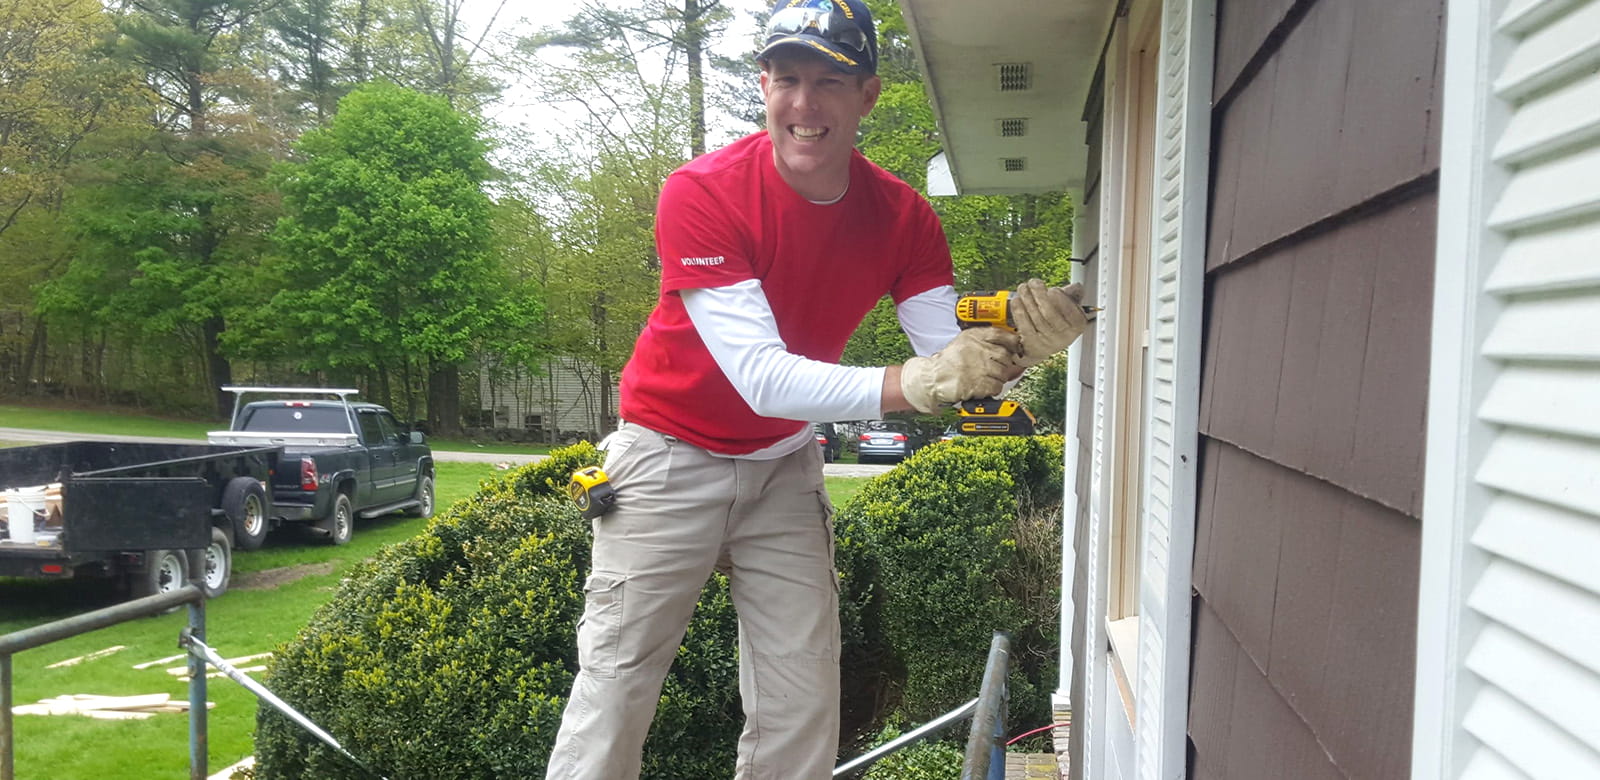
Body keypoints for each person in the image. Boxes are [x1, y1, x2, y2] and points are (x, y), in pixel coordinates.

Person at [543, 2, 1088, 778]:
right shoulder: (702, 194)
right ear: (763, 86)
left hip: (783, 469)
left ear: (865, 94)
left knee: (802, 699)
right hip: (666, 461)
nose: (804, 104)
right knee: (616, 690)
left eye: (828, 81)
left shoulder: (903, 219)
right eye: (787, 79)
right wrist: (925, 381)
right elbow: (765, 377)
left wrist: (1021, 349)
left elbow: (948, 358)